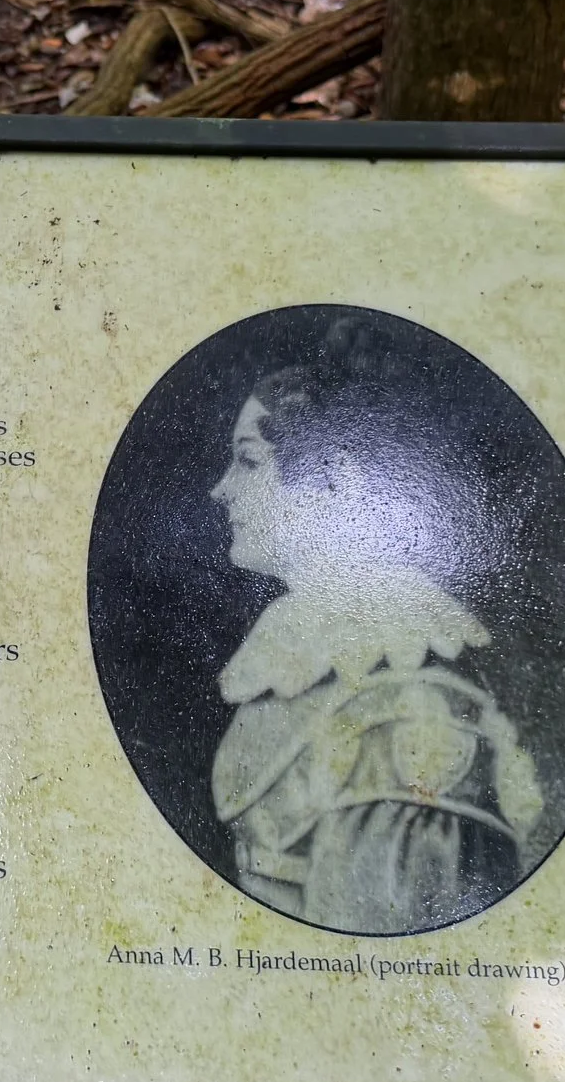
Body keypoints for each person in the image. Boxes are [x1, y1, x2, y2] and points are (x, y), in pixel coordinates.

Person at [208, 320, 544, 933]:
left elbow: (377, 957)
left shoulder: (408, 714)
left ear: (336, 476)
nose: (220, 490)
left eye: (248, 461)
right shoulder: (319, 668)